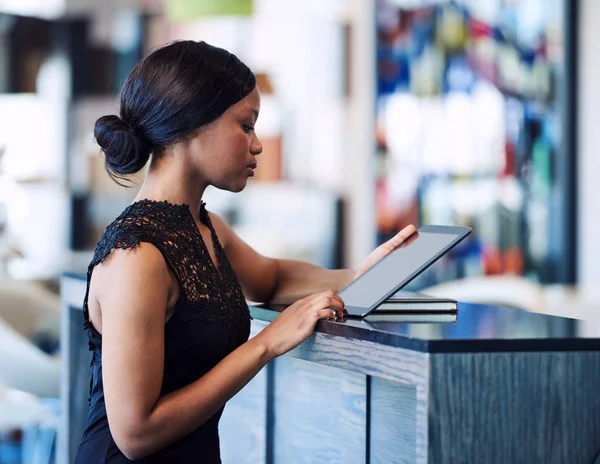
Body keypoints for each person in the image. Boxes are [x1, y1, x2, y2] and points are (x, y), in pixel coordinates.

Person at [74, 40, 415, 463]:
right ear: (191, 125)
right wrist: (267, 343)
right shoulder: (137, 254)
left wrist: (363, 274)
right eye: (246, 125)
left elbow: (272, 278)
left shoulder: (205, 227)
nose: (258, 145)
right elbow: (136, 433)